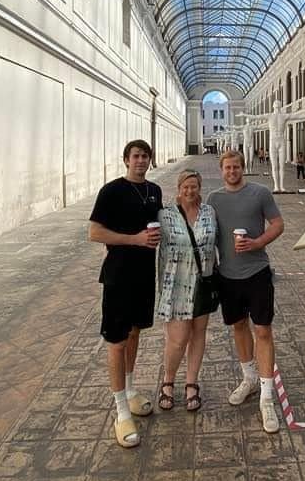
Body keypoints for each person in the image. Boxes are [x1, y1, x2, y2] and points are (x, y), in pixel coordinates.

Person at [88, 139, 163, 449]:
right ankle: (120, 412)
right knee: (117, 341)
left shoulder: (154, 191)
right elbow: (94, 232)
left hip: (144, 276)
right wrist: (133, 239)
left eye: (145, 156)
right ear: (125, 160)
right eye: (136, 156)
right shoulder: (111, 191)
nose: (141, 161)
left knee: (134, 334)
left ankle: (130, 392)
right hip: (118, 275)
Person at [208, 150, 285, 433]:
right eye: (227, 167)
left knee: (263, 330)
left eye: (236, 167)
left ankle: (267, 396)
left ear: (242, 168)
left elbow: (278, 224)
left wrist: (257, 243)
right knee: (238, 327)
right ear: (221, 170)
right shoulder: (214, 199)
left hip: (257, 273)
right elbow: (209, 234)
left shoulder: (260, 193)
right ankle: (249, 378)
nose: (232, 171)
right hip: (228, 276)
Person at [155, 170, 218, 412]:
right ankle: (168, 381)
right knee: (178, 339)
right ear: (179, 188)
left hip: (203, 283)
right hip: (175, 286)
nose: (190, 191)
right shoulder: (166, 215)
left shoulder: (209, 212)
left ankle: (192, 383)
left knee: (199, 333)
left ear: (199, 188)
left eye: (194, 186)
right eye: (186, 187)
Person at [237, 101, 305, 192]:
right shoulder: (270, 116)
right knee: (275, 166)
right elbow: (256, 117)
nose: (276, 104)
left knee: (282, 166)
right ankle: (276, 186)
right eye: (275, 103)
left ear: (279, 106)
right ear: (273, 106)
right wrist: (244, 114)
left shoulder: (284, 116)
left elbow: (297, 116)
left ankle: (282, 186)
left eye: (278, 103)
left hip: (281, 141)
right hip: (273, 142)